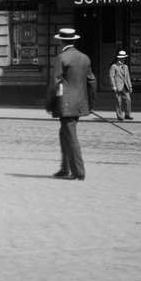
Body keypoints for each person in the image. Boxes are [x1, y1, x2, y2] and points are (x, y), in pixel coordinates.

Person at [50, 27, 97, 182]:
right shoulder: (84, 58)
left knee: (70, 136)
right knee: (64, 134)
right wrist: (91, 103)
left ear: (61, 41)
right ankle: (65, 168)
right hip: (79, 104)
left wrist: (49, 104)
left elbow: (55, 82)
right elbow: (92, 81)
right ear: (74, 40)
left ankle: (78, 172)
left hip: (66, 105)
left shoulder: (61, 58)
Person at [109, 49, 133, 120]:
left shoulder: (126, 67)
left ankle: (127, 114)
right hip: (118, 86)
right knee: (118, 102)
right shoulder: (114, 66)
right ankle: (119, 116)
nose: (123, 59)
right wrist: (113, 86)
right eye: (122, 58)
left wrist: (130, 86)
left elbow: (128, 77)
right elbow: (111, 77)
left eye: (124, 58)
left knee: (128, 100)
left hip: (125, 86)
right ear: (119, 58)